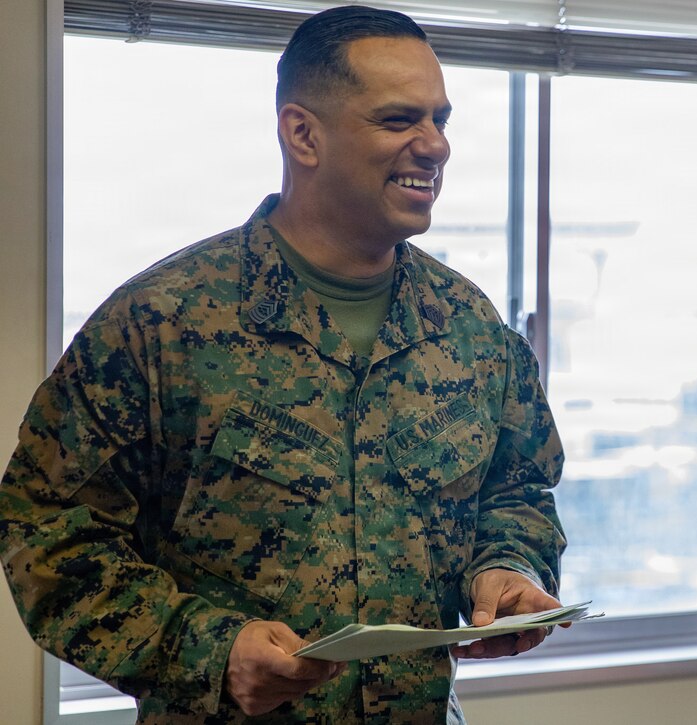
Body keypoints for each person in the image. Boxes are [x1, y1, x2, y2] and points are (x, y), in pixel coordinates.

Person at [0, 6, 566, 723]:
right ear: (303, 134)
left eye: (441, 120)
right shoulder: (164, 323)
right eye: (398, 120)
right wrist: (214, 651)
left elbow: (518, 488)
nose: (435, 146)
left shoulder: (470, 328)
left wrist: (509, 569)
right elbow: (46, 532)